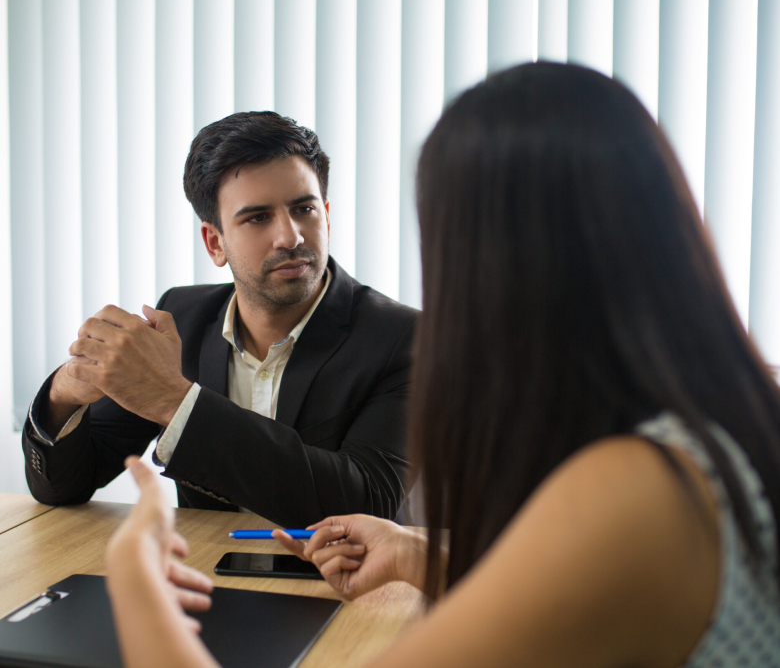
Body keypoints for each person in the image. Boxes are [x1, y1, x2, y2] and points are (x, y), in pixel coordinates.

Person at [105, 63, 780, 667]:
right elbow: (584, 593)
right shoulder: (723, 425)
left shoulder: (633, 490)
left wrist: (136, 583)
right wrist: (418, 554)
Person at [22, 112, 417, 527]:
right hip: (208, 566)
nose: (291, 236)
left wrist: (176, 403)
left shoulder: (404, 338)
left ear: (327, 216)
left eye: (304, 209)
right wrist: (64, 395)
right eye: (258, 217)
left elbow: (368, 502)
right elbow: (67, 485)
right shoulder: (182, 318)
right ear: (215, 243)